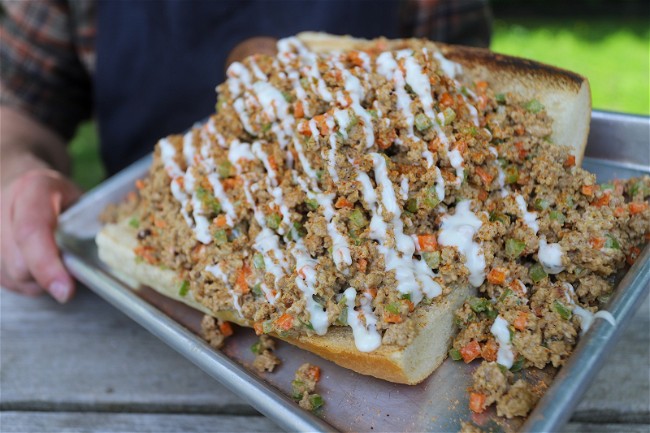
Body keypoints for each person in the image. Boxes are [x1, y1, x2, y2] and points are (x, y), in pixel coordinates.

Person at [0, 0, 492, 303]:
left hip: (378, 250)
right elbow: (18, 105)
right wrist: (16, 174)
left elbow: (458, 91)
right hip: (156, 235)